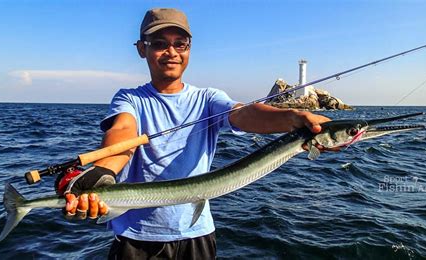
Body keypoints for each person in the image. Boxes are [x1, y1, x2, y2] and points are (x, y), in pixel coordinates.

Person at [56, 8, 331, 259]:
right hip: (136, 239)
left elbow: (243, 114)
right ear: (142, 49)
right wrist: (104, 171)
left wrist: (292, 117)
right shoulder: (129, 99)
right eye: (159, 44)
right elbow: (123, 131)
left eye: (180, 44)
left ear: (189, 49)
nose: (171, 52)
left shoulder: (208, 98)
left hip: (197, 234)